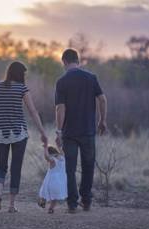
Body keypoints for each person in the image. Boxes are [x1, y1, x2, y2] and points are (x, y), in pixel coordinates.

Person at [0, 61, 47, 213]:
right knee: (16, 167)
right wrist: (42, 132)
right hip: (19, 133)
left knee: (1, 166)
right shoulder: (22, 88)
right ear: (20, 74)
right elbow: (33, 111)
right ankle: (11, 205)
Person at [54, 49, 108, 213]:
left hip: (69, 132)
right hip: (88, 130)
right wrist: (102, 120)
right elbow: (102, 99)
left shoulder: (62, 81)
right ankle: (86, 200)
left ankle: (72, 203)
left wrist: (58, 131)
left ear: (64, 61)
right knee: (88, 166)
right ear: (77, 60)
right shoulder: (91, 78)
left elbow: (59, 109)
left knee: (69, 168)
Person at [38, 145, 68, 214]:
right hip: (61, 181)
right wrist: (59, 146)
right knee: (54, 196)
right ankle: (51, 208)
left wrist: (45, 148)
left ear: (50, 154)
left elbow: (46, 157)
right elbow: (62, 151)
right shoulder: (63, 158)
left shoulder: (53, 160)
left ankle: (43, 201)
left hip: (51, 181)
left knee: (44, 191)